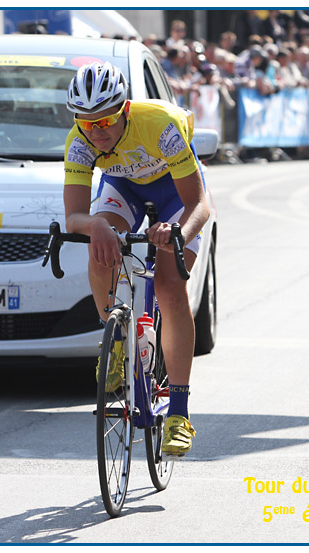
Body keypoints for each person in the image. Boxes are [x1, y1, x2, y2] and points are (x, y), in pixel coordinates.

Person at [62, 62, 210, 458]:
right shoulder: (79, 141)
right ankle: (116, 341)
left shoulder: (160, 124)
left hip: (175, 194)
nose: (98, 131)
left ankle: (178, 414)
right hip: (124, 187)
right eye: (87, 123)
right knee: (101, 247)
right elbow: (74, 216)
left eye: (106, 120)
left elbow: (199, 203)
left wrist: (177, 232)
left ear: (125, 109)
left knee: (168, 286)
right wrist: (95, 227)